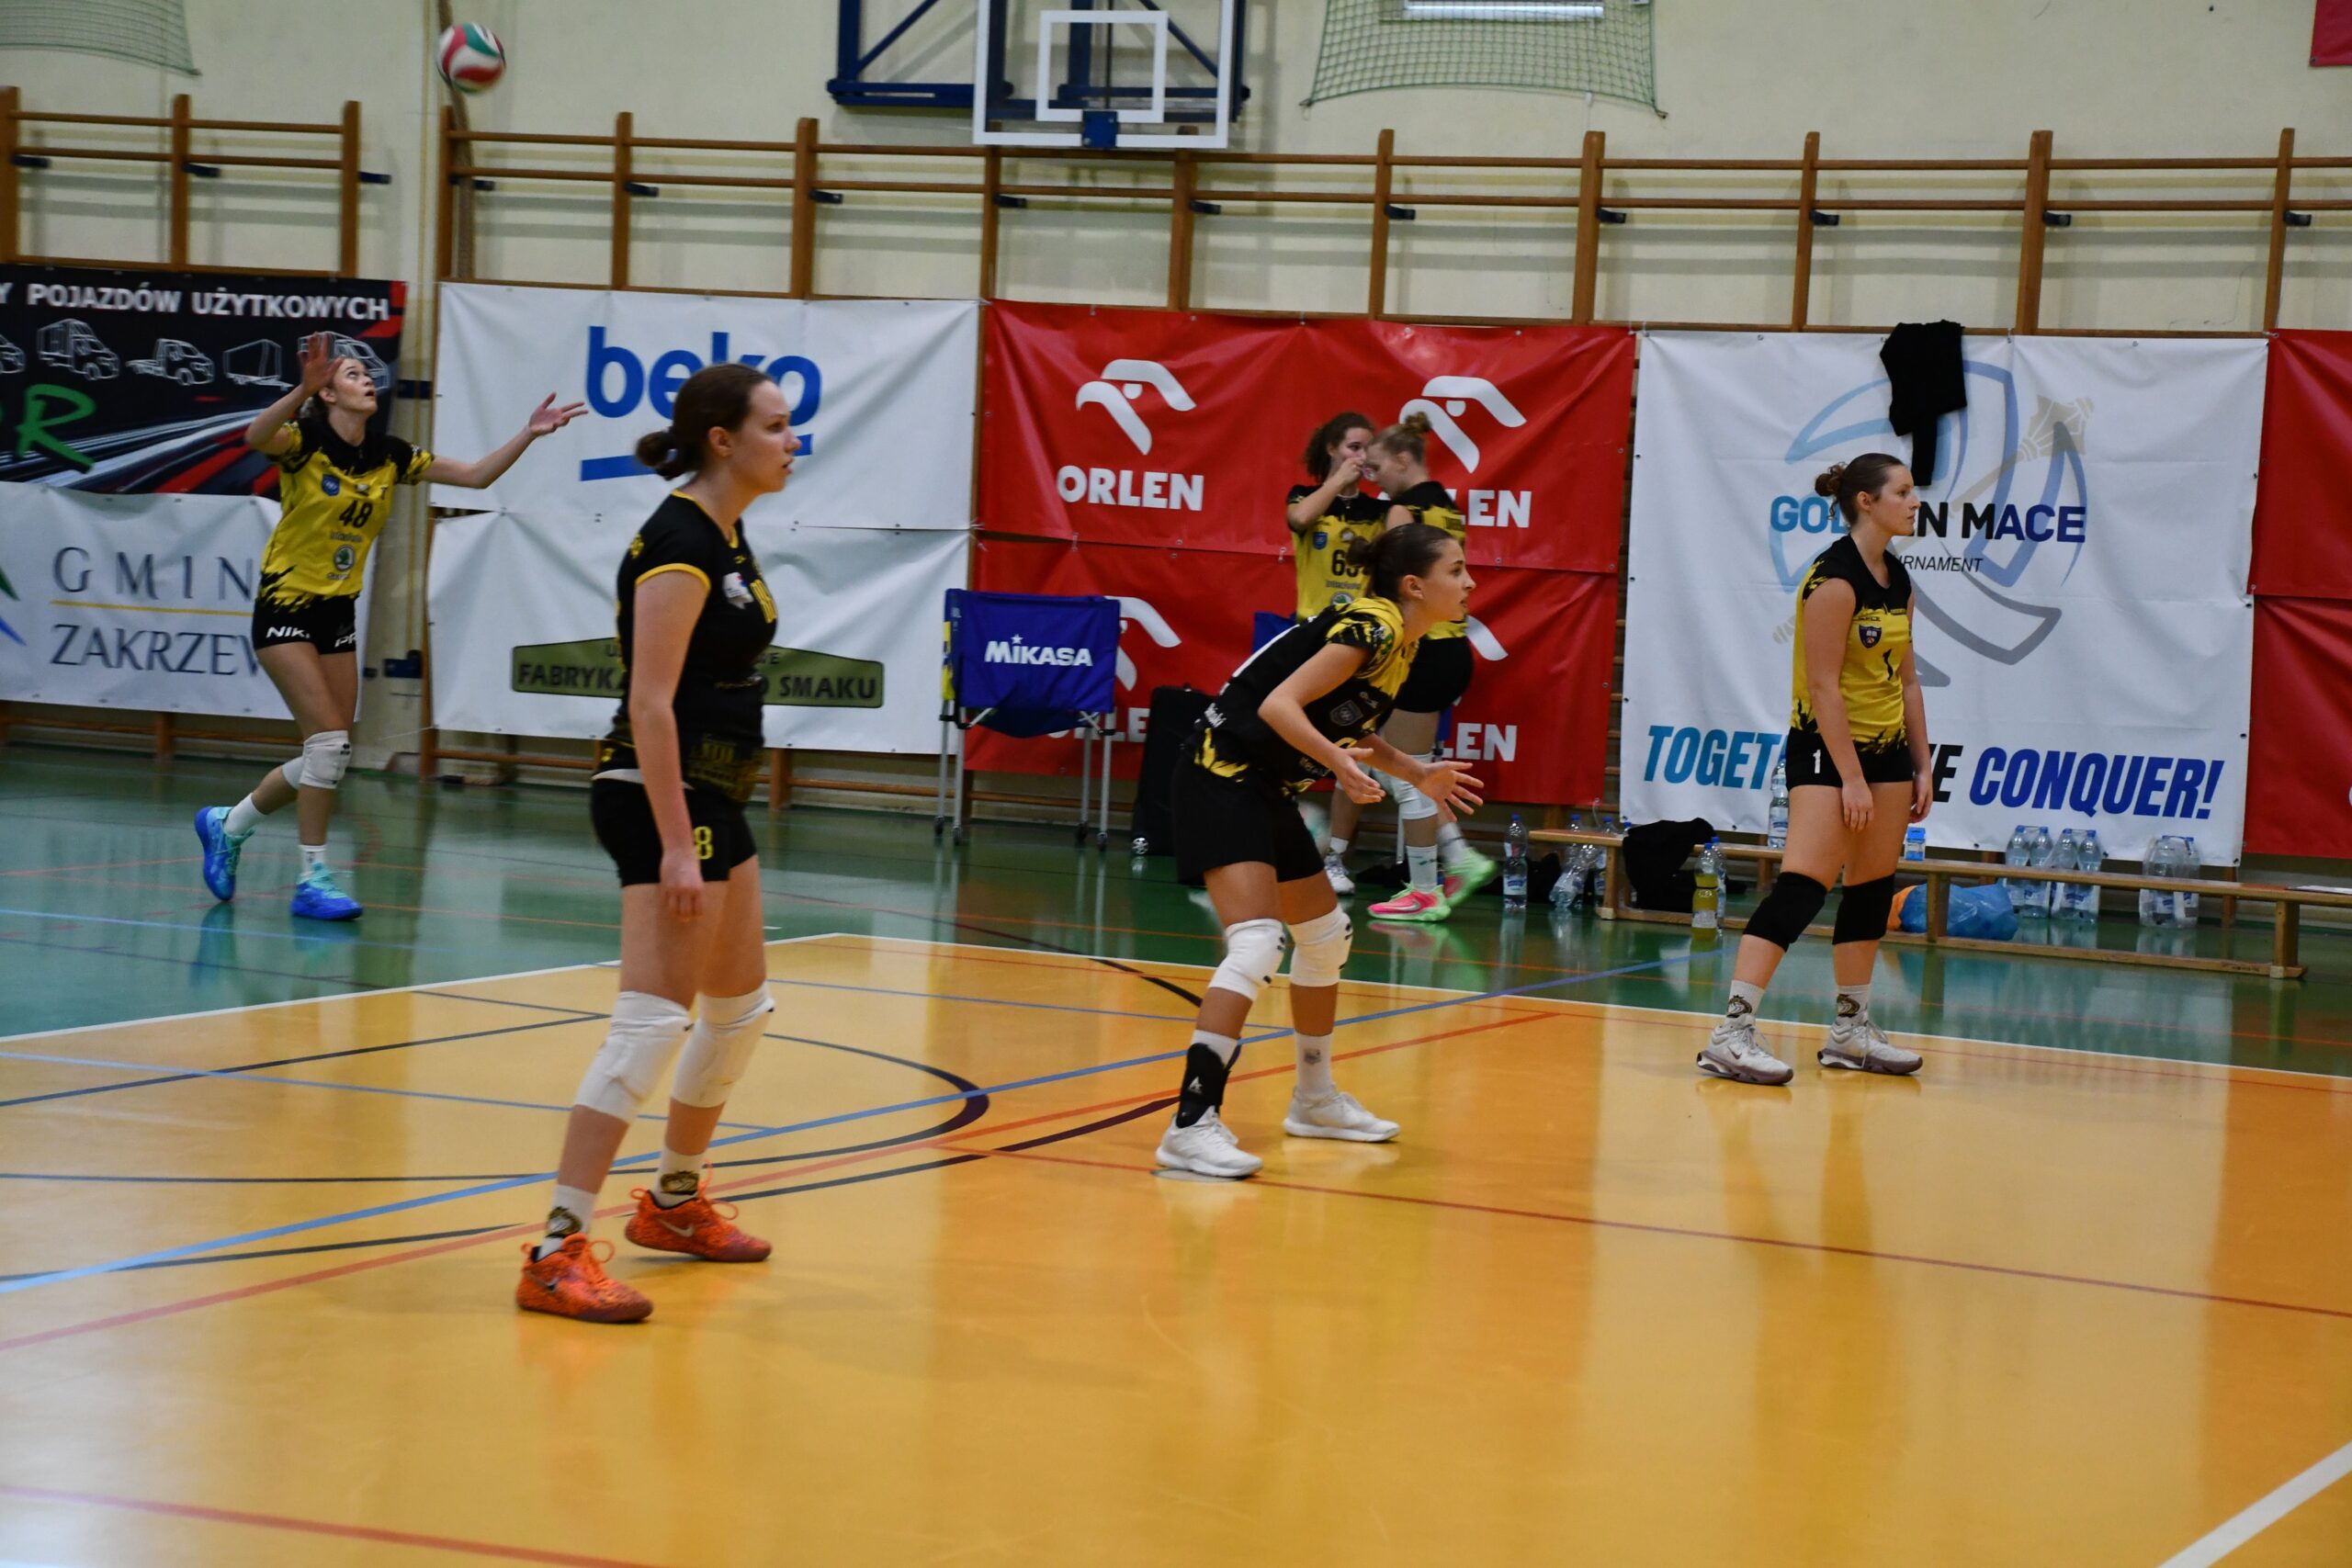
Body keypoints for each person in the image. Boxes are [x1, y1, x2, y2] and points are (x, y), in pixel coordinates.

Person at [516, 363, 792, 1322]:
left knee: (741, 1010)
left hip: (716, 795)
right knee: (650, 1025)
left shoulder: (726, 531)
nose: (791, 441)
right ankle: (555, 1250)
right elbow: (649, 701)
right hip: (659, 797)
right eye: (775, 426)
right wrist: (679, 844)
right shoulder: (679, 541)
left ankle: (673, 1203)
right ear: (723, 439)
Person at [192, 332, 584, 919]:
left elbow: (477, 476)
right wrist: (301, 388)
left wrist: (528, 433)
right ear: (328, 394)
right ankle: (312, 879)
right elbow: (255, 437)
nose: (367, 380)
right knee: (326, 745)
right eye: (351, 374)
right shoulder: (304, 443)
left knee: (331, 753)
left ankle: (229, 823)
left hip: (337, 612)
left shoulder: (390, 455)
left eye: (367, 374)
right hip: (285, 605)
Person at [1156, 524, 1483, 1179]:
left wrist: (1415, 772)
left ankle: (1313, 1100)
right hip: (1220, 774)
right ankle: (1190, 1124)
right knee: (1257, 943)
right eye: (1456, 569)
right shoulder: (1373, 626)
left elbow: (1348, 724)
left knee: (1326, 936)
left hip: (1264, 785)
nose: (1469, 581)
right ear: (1415, 585)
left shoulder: (1403, 642)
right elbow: (1280, 705)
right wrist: (1336, 763)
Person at [1698, 454, 1928, 1085]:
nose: (1915, 502)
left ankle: (1851, 1030)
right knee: (1803, 886)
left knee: (1871, 888)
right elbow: (1823, 687)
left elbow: (1908, 679)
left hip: (1886, 751)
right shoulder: (1832, 581)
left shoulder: (1899, 578)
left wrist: (1921, 763)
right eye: (1903, 491)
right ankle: (1732, 1032)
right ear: (1866, 501)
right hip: (1828, 750)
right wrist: (1850, 778)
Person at [1324, 413, 1494, 922]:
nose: (1374, 480)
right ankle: (1452, 858)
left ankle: (1429, 886)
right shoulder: (1448, 508)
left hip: (1423, 650)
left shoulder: (1404, 509)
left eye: (1378, 468)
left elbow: (1394, 577)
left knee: (1409, 773)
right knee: (1393, 764)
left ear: (1403, 460)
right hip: (1452, 648)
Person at [1283, 411, 1385, 895]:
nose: (1361, 457)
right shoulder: (1305, 498)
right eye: (1353, 447)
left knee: (1352, 746)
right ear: (1332, 449)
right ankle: (1277, 847)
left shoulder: (1378, 512)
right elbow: (1300, 520)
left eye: (1367, 449)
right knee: (1285, 742)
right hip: (1310, 635)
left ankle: (1336, 859)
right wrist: (1338, 482)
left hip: (1357, 639)